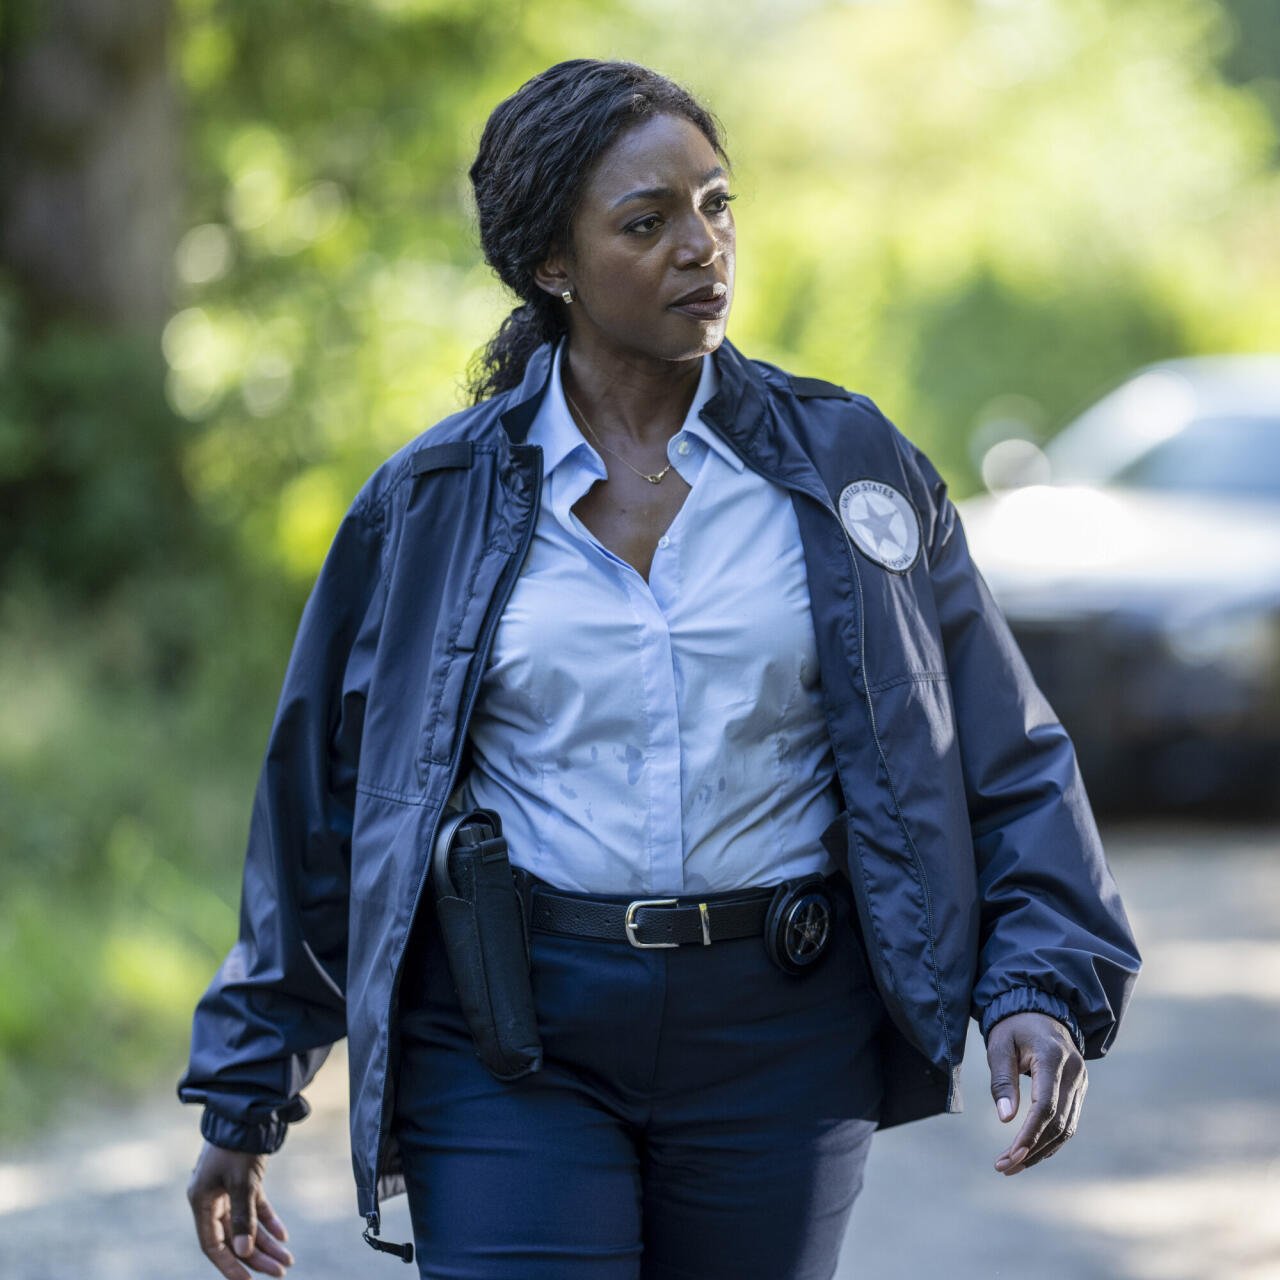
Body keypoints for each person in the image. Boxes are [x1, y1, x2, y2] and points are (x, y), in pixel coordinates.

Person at [178, 57, 1141, 1280]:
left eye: (718, 204)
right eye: (650, 221)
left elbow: (998, 750)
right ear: (552, 265)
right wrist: (246, 1088)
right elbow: (321, 814)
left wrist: (1040, 983)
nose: (704, 246)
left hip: (781, 1036)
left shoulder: (850, 472)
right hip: (507, 1039)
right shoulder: (429, 505)